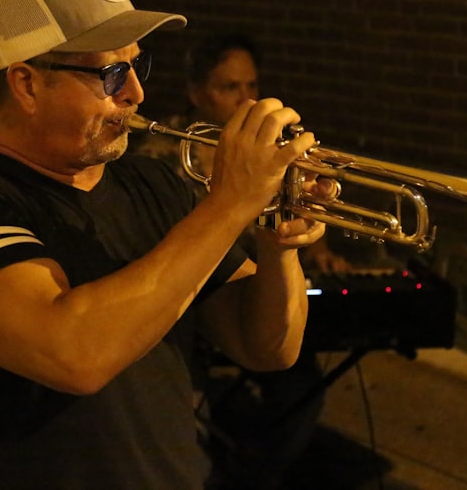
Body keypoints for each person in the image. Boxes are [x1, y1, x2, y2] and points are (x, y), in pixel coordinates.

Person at [0, 0, 329, 490]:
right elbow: (74, 355)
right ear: (27, 85)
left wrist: (276, 239)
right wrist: (230, 205)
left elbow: (266, 348)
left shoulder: (155, 184)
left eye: (136, 66)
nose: (135, 94)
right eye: (109, 73)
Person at [136, 32, 327, 489]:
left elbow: (286, 229)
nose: (247, 99)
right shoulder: (160, 160)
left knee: (303, 386)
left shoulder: (270, 156)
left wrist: (309, 236)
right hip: (194, 309)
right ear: (197, 94)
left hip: (255, 297)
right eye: (229, 88)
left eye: (251, 86)